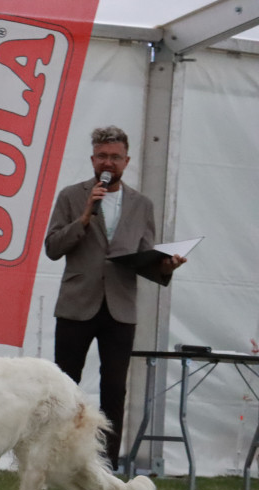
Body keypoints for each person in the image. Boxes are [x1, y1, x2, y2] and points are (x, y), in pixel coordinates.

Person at [44, 125, 186, 471]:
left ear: (127, 161)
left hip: (120, 308)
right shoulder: (71, 195)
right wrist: (84, 217)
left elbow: (144, 258)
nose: (108, 162)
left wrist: (165, 266)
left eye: (115, 157)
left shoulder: (142, 205)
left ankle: (105, 466)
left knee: (114, 389)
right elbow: (52, 248)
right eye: (102, 156)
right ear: (93, 159)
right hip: (77, 303)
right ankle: (56, 460)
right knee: (65, 385)